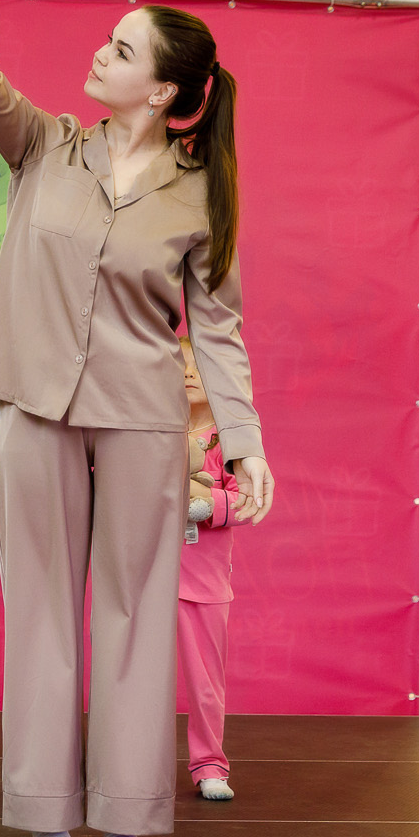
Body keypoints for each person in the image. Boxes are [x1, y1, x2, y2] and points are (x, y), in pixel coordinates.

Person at [0, 0, 275, 837]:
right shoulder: (44, 145)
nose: (100, 54)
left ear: (161, 91)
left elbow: (218, 328)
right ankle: (46, 820)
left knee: (133, 616)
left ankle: (123, 822)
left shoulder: (201, 193)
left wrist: (245, 443)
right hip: (35, 409)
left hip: (140, 419)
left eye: (121, 50)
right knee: (41, 615)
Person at [177, 337, 246, 801]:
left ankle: (209, 765)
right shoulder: (150, 431)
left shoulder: (230, 439)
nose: (187, 373)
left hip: (203, 584)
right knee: (133, 681)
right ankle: (126, 764)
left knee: (205, 686)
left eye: (197, 366)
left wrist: (207, 504)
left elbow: (247, 501)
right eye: (178, 364)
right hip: (144, 580)